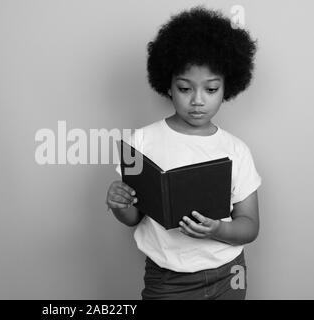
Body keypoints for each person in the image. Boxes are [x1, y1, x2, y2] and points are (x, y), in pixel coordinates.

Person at [105, 6, 262, 300]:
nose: (198, 101)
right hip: (166, 279)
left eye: (211, 89)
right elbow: (132, 217)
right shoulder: (142, 141)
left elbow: (249, 226)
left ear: (227, 87)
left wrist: (216, 230)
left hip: (229, 275)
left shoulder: (236, 150)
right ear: (168, 85)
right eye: (185, 88)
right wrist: (119, 204)